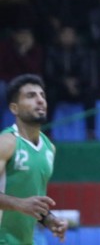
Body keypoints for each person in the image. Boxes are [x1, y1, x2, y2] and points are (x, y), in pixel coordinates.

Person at [0, 74, 68, 244]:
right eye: (31, 96)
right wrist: (19, 204)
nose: (40, 100)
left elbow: (32, 201)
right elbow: (23, 203)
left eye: (42, 95)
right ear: (14, 108)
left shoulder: (49, 148)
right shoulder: (6, 142)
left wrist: (49, 220)